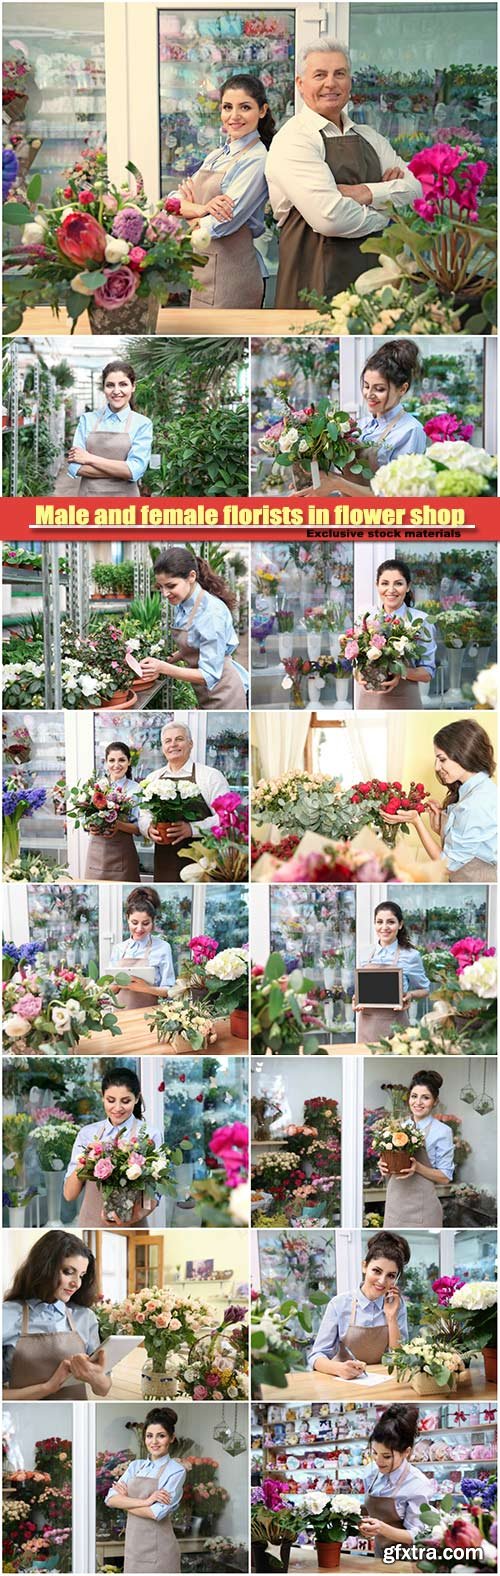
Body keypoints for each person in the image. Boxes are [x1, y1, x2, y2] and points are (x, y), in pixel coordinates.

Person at [266, 40, 422, 309]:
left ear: (350, 81)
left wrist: (366, 192)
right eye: (320, 75)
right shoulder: (293, 140)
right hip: (313, 283)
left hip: (378, 281)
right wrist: (388, 214)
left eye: (340, 73)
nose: (331, 83)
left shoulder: (369, 137)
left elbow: (417, 189)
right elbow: (331, 218)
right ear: (300, 84)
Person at [169, 74, 274, 309]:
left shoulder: (256, 159)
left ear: (262, 110)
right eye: (228, 107)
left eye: (244, 107)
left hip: (234, 276)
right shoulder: (217, 155)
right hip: (204, 268)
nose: (234, 116)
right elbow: (171, 202)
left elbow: (221, 224)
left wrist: (186, 215)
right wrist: (202, 208)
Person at [297, 342, 427, 498]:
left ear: (402, 389)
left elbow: (399, 498)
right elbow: (352, 482)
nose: (369, 394)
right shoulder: (361, 425)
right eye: (366, 386)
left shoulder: (411, 431)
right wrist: (315, 484)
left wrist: (335, 483)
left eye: (379, 389)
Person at [382, 719, 497, 881]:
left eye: (442, 759)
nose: (436, 767)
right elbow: (467, 844)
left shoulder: (475, 804)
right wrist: (439, 825)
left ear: (464, 754)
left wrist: (417, 822)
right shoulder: (479, 789)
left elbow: (446, 866)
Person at [3, 1230, 110, 1399]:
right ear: (45, 1267)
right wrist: (47, 1388)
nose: (76, 1283)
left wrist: (95, 1377)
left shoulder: (85, 1317)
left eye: (81, 1275)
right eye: (68, 1271)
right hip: (20, 1418)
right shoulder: (7, 1314)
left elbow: (103, 1389)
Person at [139, 547, 248, 709]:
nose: (165, 593)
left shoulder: (211, 613)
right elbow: (192, 646)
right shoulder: (183, 605)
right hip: (205, 693)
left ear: (191, 576)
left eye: (170, 586)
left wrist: (163, 667)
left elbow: (209, 674)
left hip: (225, 694)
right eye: (161, 587)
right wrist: (162, 661)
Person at [63, 1067, 162, 1228]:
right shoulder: (87, 1134)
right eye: (110, 1100)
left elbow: (155, 1191)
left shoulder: (150, 1135)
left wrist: (136, 1215)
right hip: (91, 1224)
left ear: (136, 1098)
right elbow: (69, 1194)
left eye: (125, 1101)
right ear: (102, 1097)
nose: (117, 1108)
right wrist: (84, 1164)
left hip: (132, 1226)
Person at [138, 720, 232, 882]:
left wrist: (192, 829)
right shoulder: (152, 778)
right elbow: (143, 815)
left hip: (203, 861)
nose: (173, 744)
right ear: (162, 748)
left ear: (191, 744)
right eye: (168, 741)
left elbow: (227, 817)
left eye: (179, 739)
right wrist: (148, 829)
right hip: (165, 861)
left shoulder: (210, 776)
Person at [308, 1230, 409, 1379]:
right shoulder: (339, 1304)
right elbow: (316, 1356)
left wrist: (391, 1317)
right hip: (344, 1383)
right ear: (364, 1266)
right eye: (376, 1271)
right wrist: (339, 1369)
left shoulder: (397, 1305)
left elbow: (399, 1360)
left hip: (383, 1383)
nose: (382, 1281)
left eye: (391, 1276)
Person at [105, 1406, 186, 1573]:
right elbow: (110, 1499)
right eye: (149, 1436)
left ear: (171, 1438)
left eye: (161, 1436)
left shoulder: (176, 1471)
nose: (154, 1442)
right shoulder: (135, 1466)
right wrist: (146, 1501)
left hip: (160, 1551)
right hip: (133, 1548)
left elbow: (156, 1513)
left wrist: (124, 1500)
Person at [355, 557, 436, 711]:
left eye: (398, 583)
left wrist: (399, 672)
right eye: (385, 583)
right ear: (377, 585)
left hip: (404, 700)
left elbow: (427, 673)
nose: (391, 590)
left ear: (408, 587)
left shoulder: (422, 621)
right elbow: (357, 662)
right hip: (368, 700)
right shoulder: (366, 618)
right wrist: (358, 674)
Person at [380, 1070, 454, 1228]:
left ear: (435, 1101)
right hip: (394, 1208)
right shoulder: (398, 1126)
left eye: (425, 1097)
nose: (418, 1102)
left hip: (423, 1211)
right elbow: (392, 1165)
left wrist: (418, 1167)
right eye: (414, 1096)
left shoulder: (442, 1131)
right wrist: (384, 1166)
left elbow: (445, 1177)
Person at [360, 1405, 436, 1557]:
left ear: (406, 1452)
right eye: (374, 1453)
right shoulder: (370, 1472)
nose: (378, 1461)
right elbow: (370, 1512)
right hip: (380, 1554)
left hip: (408, 1561)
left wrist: (381, 1529)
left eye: (387, 1456)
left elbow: (418, 1535)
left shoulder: (417, 1483)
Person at [68, 361, 152, 496]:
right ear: (104, 388)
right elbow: (74, 467)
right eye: (110, 385)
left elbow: (134, 471)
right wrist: (121, 470)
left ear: (133, 387)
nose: (116, 391)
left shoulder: (142, 423)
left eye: (123, 384)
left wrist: (89, 458)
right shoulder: (87, 420)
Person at [355, 900, 430, 1046]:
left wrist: (410, 995)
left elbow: (425, 990)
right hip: (367, 1027)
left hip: (397, 1027)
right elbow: (362, 990)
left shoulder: (411, 955)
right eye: (379, 922)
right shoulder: (364, 954)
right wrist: (356, 999)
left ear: (400, 924)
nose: (384, 927)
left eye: (390, 922)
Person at [108, 886, 176, 1009]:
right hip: (121, 1016)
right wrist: (119, 985)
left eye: (145, 923)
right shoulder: (118, 949)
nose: (139, 929)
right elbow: (109, 990)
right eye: (134, 923)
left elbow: (170, 991)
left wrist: (145, 988)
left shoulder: (163, 948)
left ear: (153, 921)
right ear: (127, 918)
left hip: (150, 1016)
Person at [84, 741, 141, 882]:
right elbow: (84, 820)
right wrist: (89, 826)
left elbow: (140, 828)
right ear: (106, 763)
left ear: (129, 762)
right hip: (96, 854)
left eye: (122, 760)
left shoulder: (137, 789)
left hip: (123, 856)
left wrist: (118, 825)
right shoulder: (95, 787)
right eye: (112, 760)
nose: (117, 765)